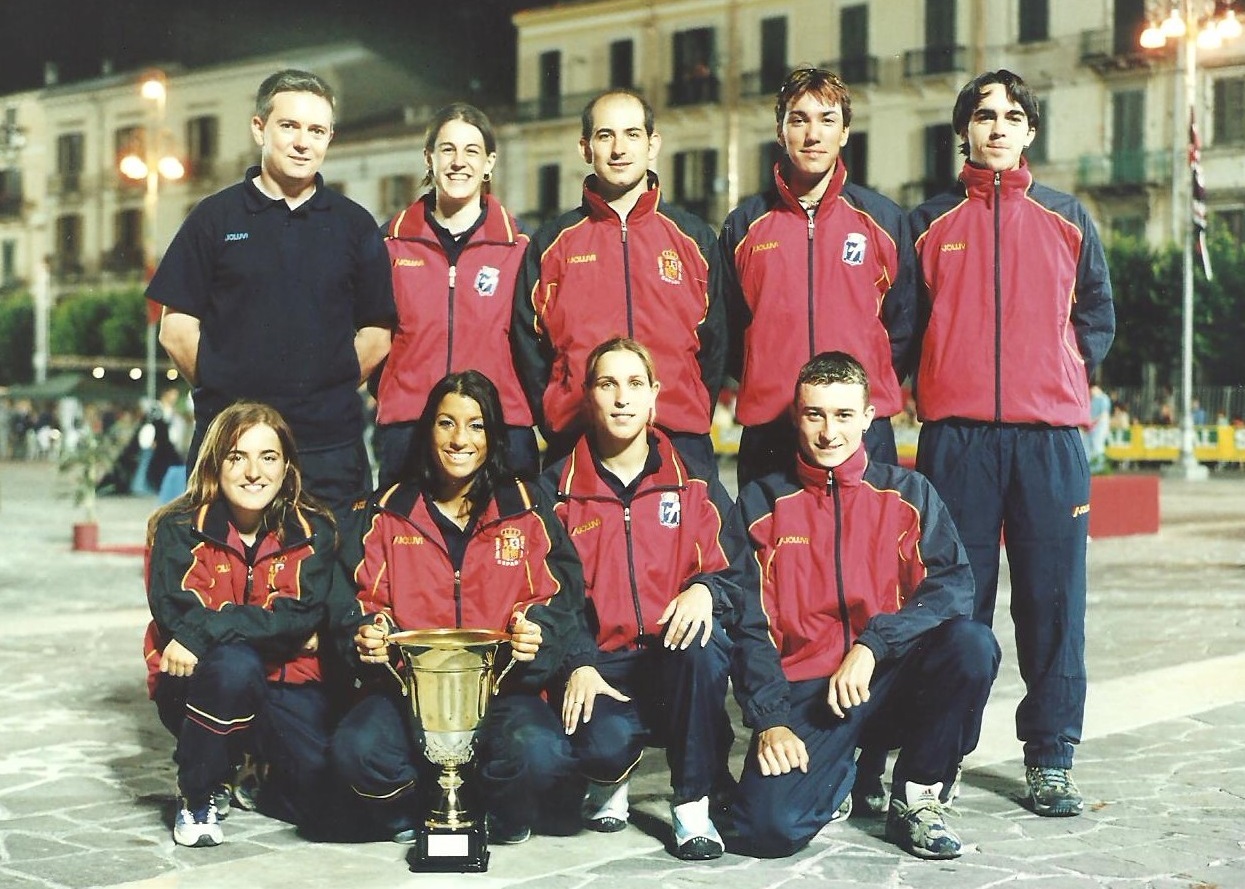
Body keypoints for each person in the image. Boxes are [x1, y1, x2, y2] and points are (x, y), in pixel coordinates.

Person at [910, 70, 1115, 817]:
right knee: (955, 604)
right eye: (982, 116)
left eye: (1012, 116)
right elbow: (906, 327)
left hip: (1048, 441)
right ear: (962, 130)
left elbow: (1095, 314)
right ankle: (941, 754)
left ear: (1029, 131)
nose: (997, 127)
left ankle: (1050, 755)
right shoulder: (927, 224)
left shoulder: (1067, 218)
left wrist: (1056, 375)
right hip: (955, 439)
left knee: (1052, 602)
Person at [720, 351, 999, 860]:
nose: (830, 432)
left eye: (844, 415)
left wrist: (873, 644)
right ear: (796, 417)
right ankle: (843, 773)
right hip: (809, 694)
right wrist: (770, 720)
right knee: (766, 829)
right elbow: (748, 629)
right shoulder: (760, 507)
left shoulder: (908, 493)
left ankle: (918, 794)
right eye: (815, 415)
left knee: (972, 644)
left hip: (891, 678)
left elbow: (954, 586)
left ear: (869, 418)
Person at [330, 370, 584, 844]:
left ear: (492, 435)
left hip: (504, 690)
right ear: (428, 429)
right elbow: (351, 598)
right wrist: (363, 632)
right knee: (356, 751)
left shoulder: (526, 510)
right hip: (407, 694)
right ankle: (419, 803)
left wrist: (538, 632)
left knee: (542, 758)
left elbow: (560, 594)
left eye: (476, 425)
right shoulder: (386, 512)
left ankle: (495, 807)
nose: (460, 439)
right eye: (446, 423)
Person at [150, 69, 396, 515]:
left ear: (329, 138)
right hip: (229, 449)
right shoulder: (213, 218)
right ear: (259, 127)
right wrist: (228, 395)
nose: (304, 142)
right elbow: (176, 329)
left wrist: (319, 387)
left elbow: (377, 332)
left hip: (328, 452)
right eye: (290, 126)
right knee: (223, 580)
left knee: (331, 581)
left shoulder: (355, 225)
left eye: (317, 130)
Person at [539, 337, 737, 861]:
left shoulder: (693, 479)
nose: (622, 398)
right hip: (602, 662)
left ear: (654, 396)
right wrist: (577, 663)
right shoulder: (553, 489)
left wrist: (705, 587)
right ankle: (611, 774)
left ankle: (692, 805)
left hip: (673, 659)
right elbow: (545, 596)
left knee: (703, 642)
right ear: (588, 397)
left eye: (634, 384)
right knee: (601, 745)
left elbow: (735, 567)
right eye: (608, 384)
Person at [143, 401, 347, 847]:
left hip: (286, 684)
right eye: (238, 457)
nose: (254, 472)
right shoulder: (177, 528)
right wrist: (274, 632)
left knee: (325, 792)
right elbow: (178, 612)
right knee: (234, 664)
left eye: (268, 457)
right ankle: (198, 792)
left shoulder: (315, 530)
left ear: (287, 466)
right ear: (216, 464)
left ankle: (253, 773)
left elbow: (302, 614)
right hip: (199, 683)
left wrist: (209, 630)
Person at [719, 67, 915, 487]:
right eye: (799, 119)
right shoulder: (744, 226)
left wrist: (855, 392)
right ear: (780, 130)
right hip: (771, 428)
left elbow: (903, 327)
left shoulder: (883, 221)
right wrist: (770, 377)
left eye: (827, 120)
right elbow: (731, 330)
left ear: (845, 132)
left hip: (861, 430)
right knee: (770, 553)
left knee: (863, 552)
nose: (813, 134)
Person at [512, 88, 726, 472]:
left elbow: (715, 342)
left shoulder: (696, 239)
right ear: (585, 148)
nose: (619, 149)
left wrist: (687, 409)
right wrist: (558, 414)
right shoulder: (551, 244)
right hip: (578, 439)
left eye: (632, 134)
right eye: (605, 135)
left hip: (679, 440)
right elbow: (530, 348)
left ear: (652, 143)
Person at [374, 103, 538, 487]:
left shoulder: (522, 245)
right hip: (410, 425)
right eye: (447, 149)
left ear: (489, 162)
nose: (458, 162)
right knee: (408, 544)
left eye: (471, 151)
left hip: (500, 426)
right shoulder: (389, 242)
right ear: (429, 158)